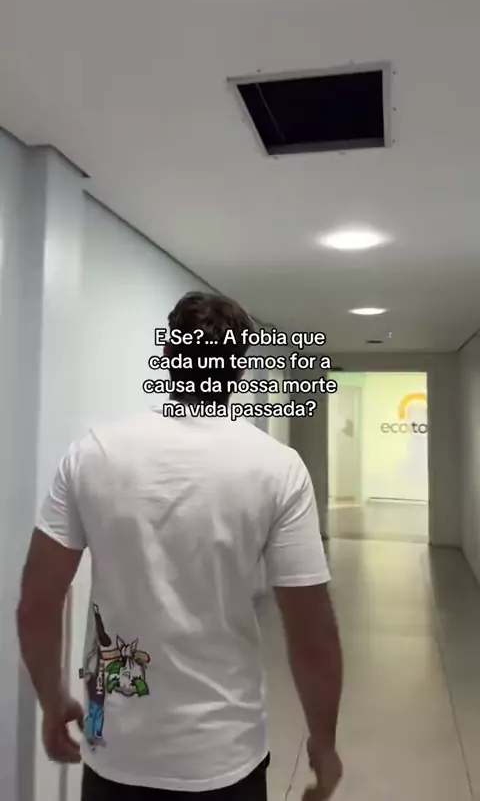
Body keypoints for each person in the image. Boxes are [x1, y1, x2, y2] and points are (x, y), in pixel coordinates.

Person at [17, 291, 343, 801]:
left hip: (115, 756)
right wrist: (323, 742)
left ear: (168, 356)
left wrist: (53, 699)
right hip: (226, 756)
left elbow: (37, 603)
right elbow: (311, 630)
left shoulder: (93, 453)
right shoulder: (278, 468)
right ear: (239, 368)